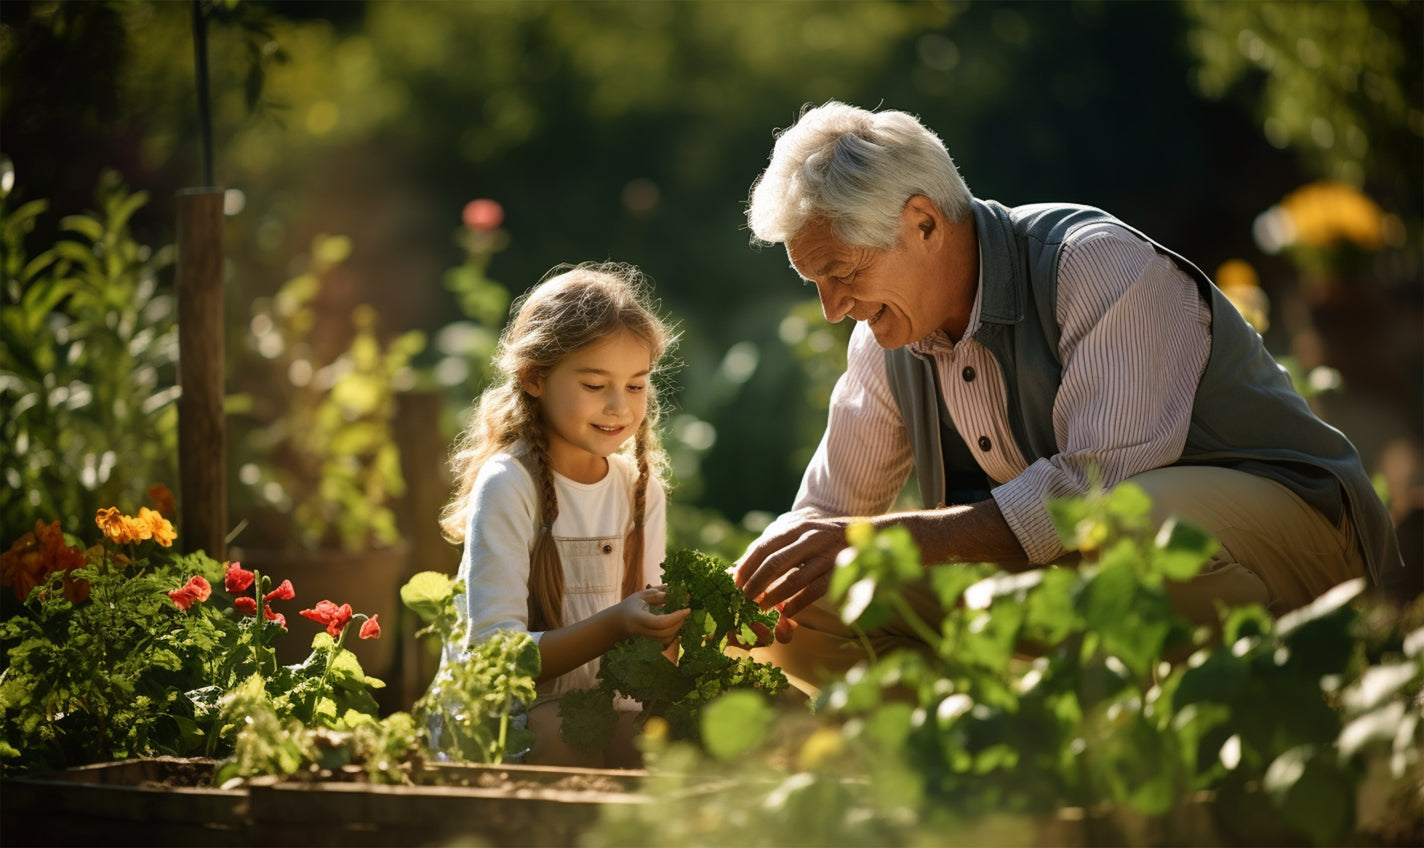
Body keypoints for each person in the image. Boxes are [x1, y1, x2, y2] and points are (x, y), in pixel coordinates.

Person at [733, 101, 1410, 695]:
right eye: (814, 283)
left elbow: (1089, 495)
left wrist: (876, 539)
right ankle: (990, 765)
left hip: (1301, 549)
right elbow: (822, 521)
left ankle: (1205, 732)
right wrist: (721, 594)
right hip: (1097, 577)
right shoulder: (885, 342)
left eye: (843, 272)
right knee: (799, 606)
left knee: (1132, 520)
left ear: (924, 223)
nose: (831, 309)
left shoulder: (1091, 264)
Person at [436, 261, 689, 766]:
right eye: (595, 385)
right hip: (501, 723)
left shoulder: (641, 491)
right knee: (564, 734)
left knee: (678, 742)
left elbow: (655, 644)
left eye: (636, 386)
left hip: (601, 712)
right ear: (534, 378)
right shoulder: (510, 484)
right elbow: (494, 658)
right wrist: (616, 623)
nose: (619, 407)